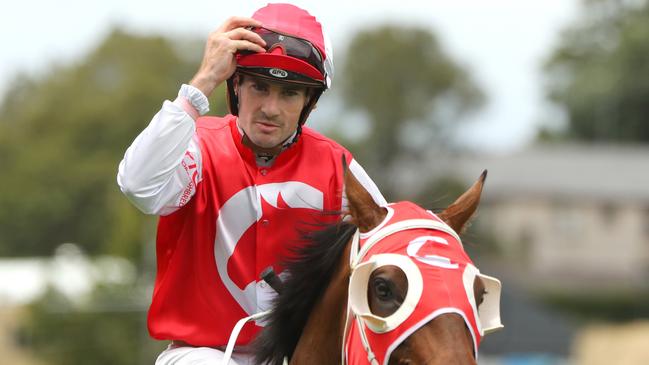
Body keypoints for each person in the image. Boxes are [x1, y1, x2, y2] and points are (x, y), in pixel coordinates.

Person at [117, 3, 386, 364]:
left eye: (289, 94)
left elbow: (389, 254)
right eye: (259, 86)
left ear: (310, 102)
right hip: (199, 355)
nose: (270, 108)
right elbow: (138, 186)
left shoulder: (339, 167)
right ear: (236, 85)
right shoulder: (196, 145)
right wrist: (201, 83)